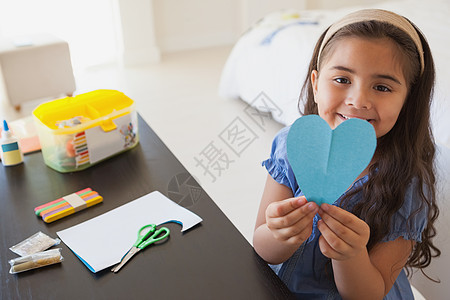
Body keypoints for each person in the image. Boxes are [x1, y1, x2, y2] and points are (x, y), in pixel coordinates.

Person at [253, 9, 440, 299]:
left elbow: (369, 293)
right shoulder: (295, 144)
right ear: (316, 84)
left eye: (382, 87)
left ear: (408, 100)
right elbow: (262, 247)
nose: (358, 100)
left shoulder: (407, 181)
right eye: (342, 79)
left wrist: (349, 256)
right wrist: (279, 233)